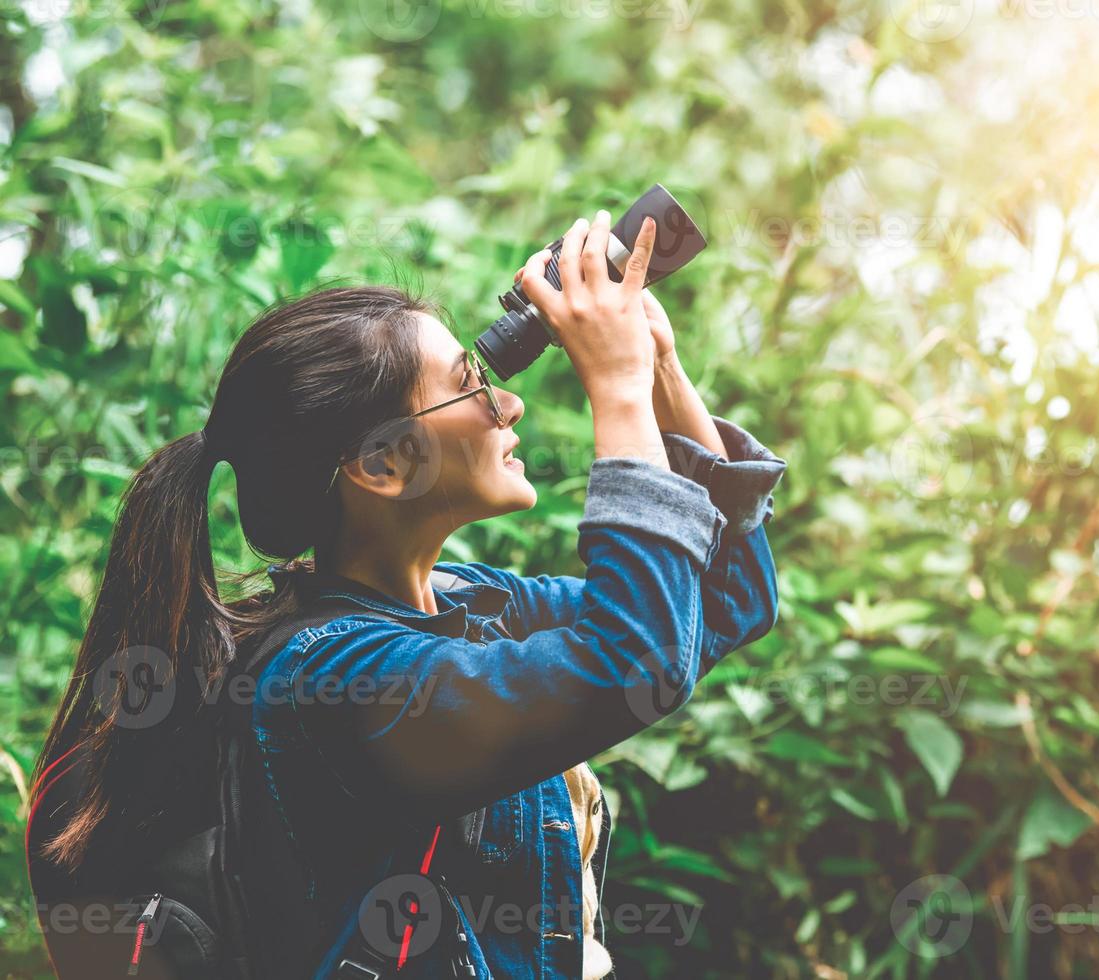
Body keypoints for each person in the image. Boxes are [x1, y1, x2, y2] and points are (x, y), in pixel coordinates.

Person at [27, 209, 786, 978]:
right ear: (383, 465)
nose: (509, 404)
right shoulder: (331, 677)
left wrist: (656, 367)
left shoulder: (467, 607)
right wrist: (614, 388)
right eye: (469, 386)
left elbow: (724, 601)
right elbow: (634, 663)